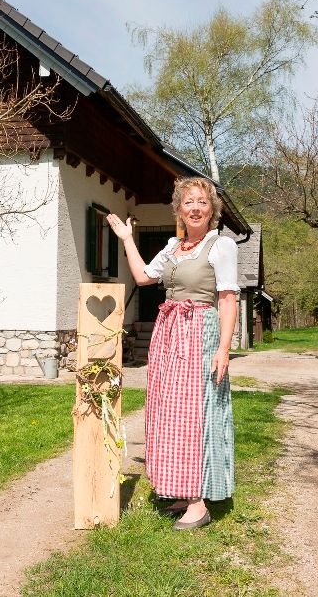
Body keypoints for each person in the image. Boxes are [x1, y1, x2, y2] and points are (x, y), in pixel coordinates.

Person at [106, 176, 238, 531]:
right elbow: (143, 277)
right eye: (188, 202)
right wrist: (127, 239)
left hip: (200, 332)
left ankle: (199, 502)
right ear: (179, 209)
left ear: (212, 209)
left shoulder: (221, 246)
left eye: (202, 202)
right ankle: (182, 489)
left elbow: (228, 299)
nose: (195, 208)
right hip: (169, 333)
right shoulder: (172, 246)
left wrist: (224, 349)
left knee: (195, 413)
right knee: (170, 412)